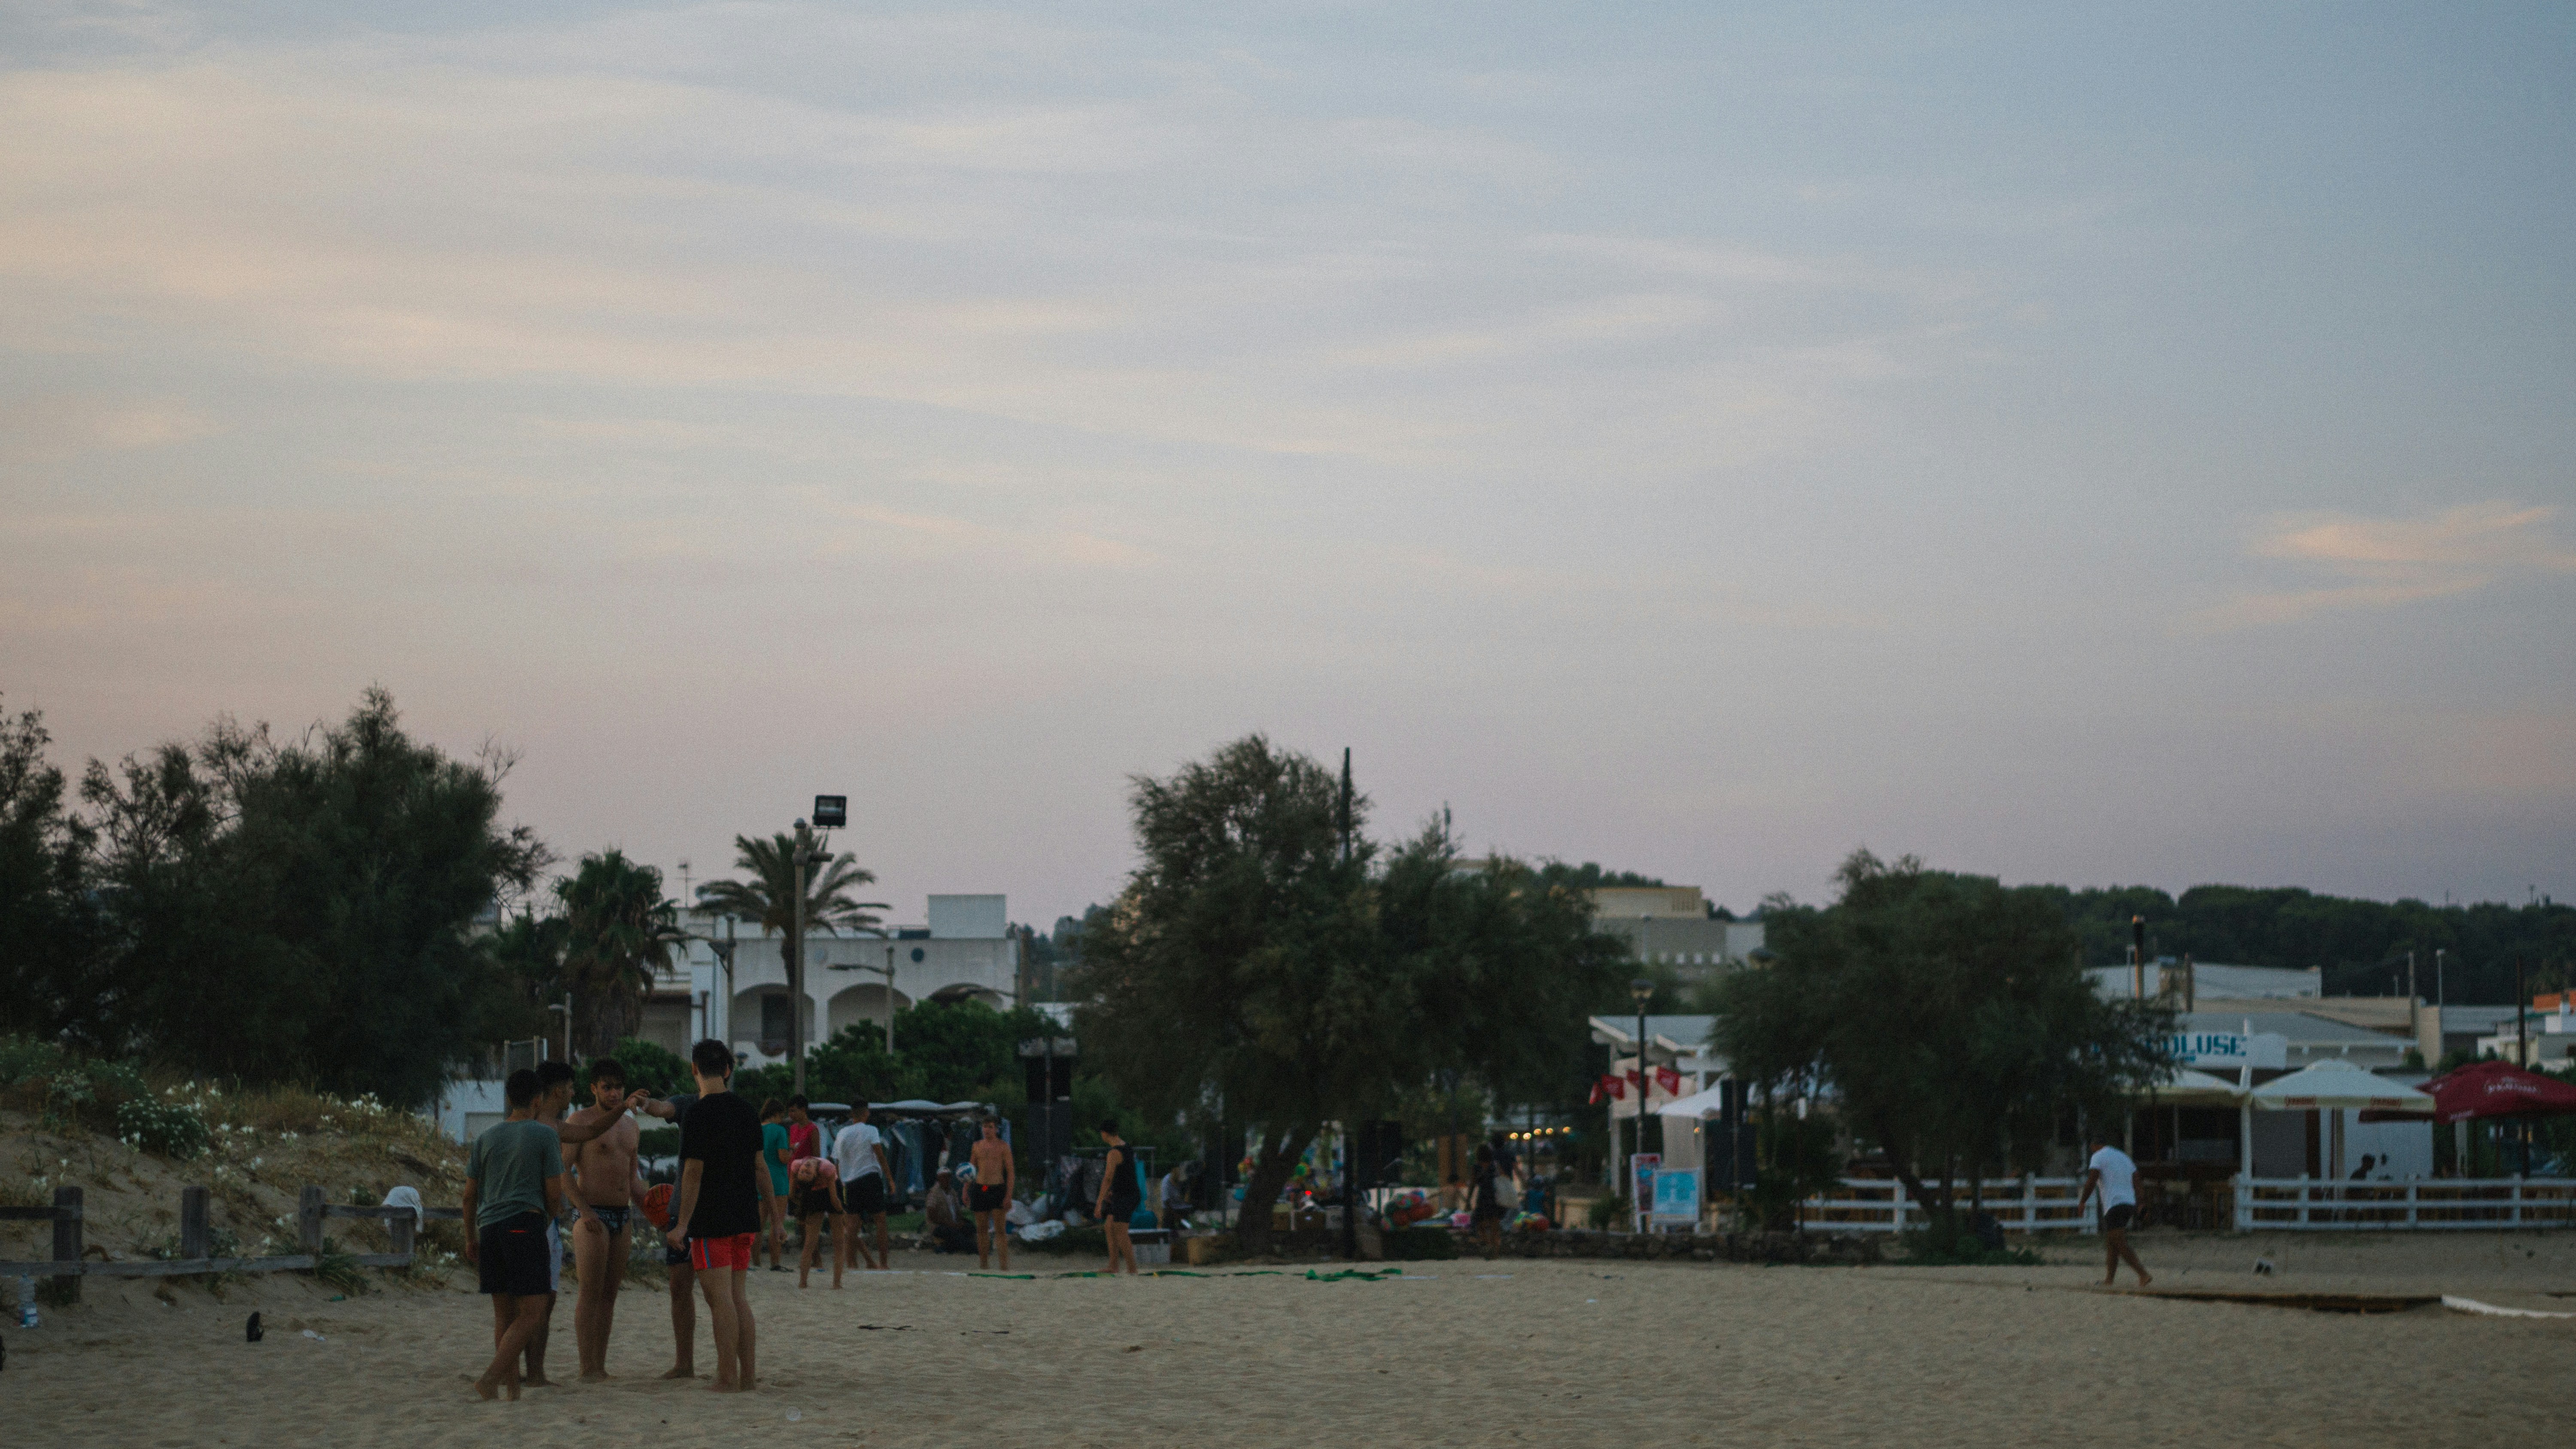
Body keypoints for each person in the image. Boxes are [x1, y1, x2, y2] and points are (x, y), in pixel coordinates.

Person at [662, 1039, 773, 1392]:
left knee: (721, 1299)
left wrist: (682, 1224)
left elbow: (693, 1172)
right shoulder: (747, 1110)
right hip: (745, 1216)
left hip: (713, 1221)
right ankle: (747, 1376)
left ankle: (727, 1377)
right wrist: (774, 1215)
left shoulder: (697, 1113)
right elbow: (761, 1167)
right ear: (727, 1069)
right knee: (738, 1297)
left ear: (694, 1069)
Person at [460, 1068, 564, 1401]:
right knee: (533, 1311)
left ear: (508, 1098)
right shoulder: (544, 1134)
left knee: (504, 1313)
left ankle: (512, 1388)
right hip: (524, 1223)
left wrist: (470, 1237)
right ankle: (491, 1378)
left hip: (489, 1227)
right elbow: (554, 1192)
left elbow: (469, 1196)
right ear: (538, 1100)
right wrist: (548, 1218)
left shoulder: (485, 1138)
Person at [560, 1057, 649, 1382]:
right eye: (607, 1087)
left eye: (618, 1087)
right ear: (594, 1089)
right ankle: (587, 1367)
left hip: (622, 1215)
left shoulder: (631, 1126)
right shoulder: (580, 1121)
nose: (614, 1093)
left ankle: (600, 1364)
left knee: (610, 1295)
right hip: (592, 1214)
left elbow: (633, 1180)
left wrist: (657, 1211)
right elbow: (563, 1172)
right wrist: (584, 1210)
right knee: (590, 1292)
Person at [516, 1058, 580, 1386]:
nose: (573, 1093)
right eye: (570, 1087)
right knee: (535, 1301)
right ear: (557, 1091)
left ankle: (530, 1371)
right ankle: (527, 1371)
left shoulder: (543, 1126)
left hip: (540, 1222)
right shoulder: (543, 1129)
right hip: (538, 1221)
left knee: (541, 1300)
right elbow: (553, 1182)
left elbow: (589, 1131)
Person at [2076, 1135, 2151, 1288]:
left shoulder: (2098, 1156)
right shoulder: (2124, 1157)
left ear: (2094, 1146)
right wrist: (2141, 1203)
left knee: (2118, 1241)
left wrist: (2083, 1201)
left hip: (2114, 1204)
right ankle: (2109, 1280)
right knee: (2112, 1242)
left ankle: (2143, 1274)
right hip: (2129, 1203)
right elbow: (2137, 1180)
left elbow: (2092, 1180)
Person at [832, 1100, 893, 1272]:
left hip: (850, 1181)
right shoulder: (871, 1130)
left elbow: (837, 1161)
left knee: (852, 1224)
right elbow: (880, 1155)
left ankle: (851, 1263)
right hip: (870, 1177)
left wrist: (840, 1182)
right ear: (866, 1113)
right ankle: (883, 1263)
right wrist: (890, 1179)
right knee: (880, 1221)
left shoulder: (842, 1133)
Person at [787, 1155, 845, 1288]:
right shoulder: (825, 1168)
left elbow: (791, 1194)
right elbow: (834, 1200)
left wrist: (842, 1212)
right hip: (817, 1194)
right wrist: (842, 1213)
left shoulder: (798, 1165)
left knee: (836, 1242)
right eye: (806, 1173)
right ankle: (805, 1282)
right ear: (816, 1176)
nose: (806, 1169)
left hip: (823, 1191)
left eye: (804, 1172)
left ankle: (834, 1283)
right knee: (813, 1242)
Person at [1093, 1118, 1141, 1276]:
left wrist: (1099, 1203)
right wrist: (1113, 1192)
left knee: (1121, 1232)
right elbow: (1125, 1174)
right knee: (1109, 1226)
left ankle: (1132, 1269)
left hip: (1127, 1196)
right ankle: (1113, 1266)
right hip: (1123, 1194)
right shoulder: (1127, 1147)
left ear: (1105, 1134)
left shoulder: (1114, 1153)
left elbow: (1108, 1178)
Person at [969, 1115, 1016, 1270]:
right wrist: (965, 1190)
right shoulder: (977, 1146)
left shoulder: (1003, 1147)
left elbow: (1011, 1173)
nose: (987, 1130)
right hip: (982, 1188)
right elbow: (971, 1170)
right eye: (985, 1127)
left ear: (996, 1129)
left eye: (990, 1127)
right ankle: (984, 1264)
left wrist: (1009, 1195)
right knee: (982, 1229)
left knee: (1000, 1230)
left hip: (997, 1188)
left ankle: (1004, 1266)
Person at [758, 1099, 794, 1271]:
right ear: (777, 1114)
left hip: (759, 1178)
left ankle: (755, 1262)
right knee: (777, 1222)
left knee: (758, 1224)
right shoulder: (780, 1131)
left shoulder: (756, 1129)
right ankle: (775, 1262)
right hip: (778, 1180)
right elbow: (783, 1158)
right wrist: (791, 1151)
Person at [923, 1170, 975, 1254]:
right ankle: (974, 1249)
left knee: (970, 1227)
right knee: (955, 1234)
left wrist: (960, 1222)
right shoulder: (934, 1194)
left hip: (953, 1223)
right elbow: (932, 1217)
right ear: (939, 1179)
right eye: (944, 1177)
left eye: (948, 1177)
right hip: (939, 1226)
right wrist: (951, 1224)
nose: (946, 1179)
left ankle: (946, 1248)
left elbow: (958, 1212)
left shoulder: (952, 1192)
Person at [1470, 1143, 1505, 1259]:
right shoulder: (1495, 1165)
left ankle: (1488, 1244)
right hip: (1495, 1198)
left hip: (1483, 1198)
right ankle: (1495, 1252)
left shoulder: (1476, 1167)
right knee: (1495, 1226)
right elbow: (1503, 1179)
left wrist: (1468, 1200)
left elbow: (1473, 1184)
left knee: (1480, 1224)